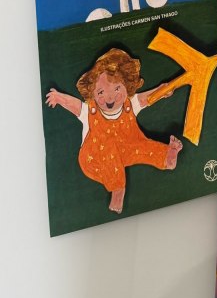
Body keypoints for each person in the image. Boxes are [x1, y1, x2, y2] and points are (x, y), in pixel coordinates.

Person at [45, 48, 182, 213]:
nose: (110, 97)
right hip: (95, 159)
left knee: (143, 145)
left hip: (126, 150)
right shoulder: (90, 110)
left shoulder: (130, 104)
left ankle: (167, 157)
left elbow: (147, 98)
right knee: (109, 146)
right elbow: (75, 105)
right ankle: (118, 191)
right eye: (101, 92)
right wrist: (59, 98)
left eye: (117, 89)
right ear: (92, 93)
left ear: (127, 87)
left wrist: (162, 91)